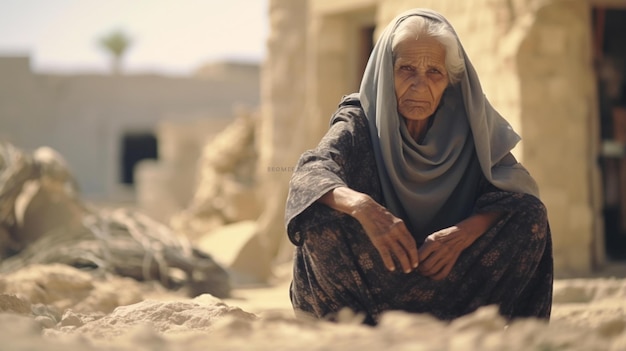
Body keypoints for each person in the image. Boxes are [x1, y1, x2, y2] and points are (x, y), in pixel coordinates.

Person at [284, 8, 553, 325]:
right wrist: (363, 207)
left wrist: (465, 232)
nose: (419, 85)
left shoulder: (470, 123)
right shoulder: (361, 119)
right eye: (406, 69)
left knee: (532, 217)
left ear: (450, 79)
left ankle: (515, 338)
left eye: (434, 73)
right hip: (369, 290)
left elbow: (519, 198)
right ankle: (349, 333)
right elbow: (311, 170)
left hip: (452, 283)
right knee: (318, 212)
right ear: (386, 72)